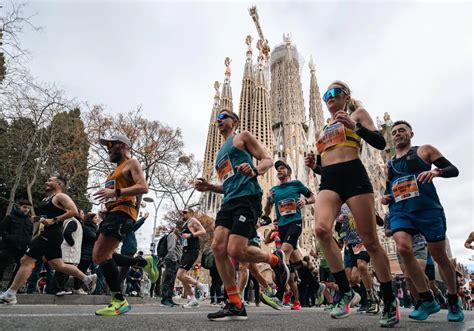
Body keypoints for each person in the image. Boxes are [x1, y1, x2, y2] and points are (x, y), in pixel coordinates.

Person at [305, 81, 397, 327]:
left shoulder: (358, 114)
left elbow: (380, 143)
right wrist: (314, 165)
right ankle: (345, 292)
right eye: (326, 94)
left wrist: (354, 126)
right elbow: (325, 165)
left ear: (346, 96)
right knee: (322, 230)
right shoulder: (323, 129)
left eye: (334, 92)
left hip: (354, 175)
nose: (329, 97)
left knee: (370, 242)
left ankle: (388, 300)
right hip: (330, 180)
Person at [195, 109, 288, 321]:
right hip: (229, 201)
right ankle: (235, 303)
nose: (219, 121)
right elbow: (228, 184)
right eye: (217, 118)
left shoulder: (242, 136)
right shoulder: (220, 154)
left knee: (235, 250)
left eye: (223, 117)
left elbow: (267, 159)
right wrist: (210, 186)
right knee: (218, 247)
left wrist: (255, 170)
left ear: (234, 121)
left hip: (248, 198)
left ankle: (274, 259)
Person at [382, 120, 463, 322]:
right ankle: (426, 298)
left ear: (411, 134)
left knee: (439, 255)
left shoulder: (425, 151)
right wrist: (386, 197)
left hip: (427, 209)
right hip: (402, 211)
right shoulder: (390, 164)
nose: (398, 134)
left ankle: (453, 299)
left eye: (402, 131)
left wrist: (436, 172)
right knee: (403, 248)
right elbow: (389, 188)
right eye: (395, 132)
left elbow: (453, 169)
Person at [0, 177, 97, 305]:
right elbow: (48, 217)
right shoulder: (47, 199)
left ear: (58, 184)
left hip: (51, 234)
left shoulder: (60, 196)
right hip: (50, 234)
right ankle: (87, 279)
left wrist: (55, 220)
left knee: (26, 260)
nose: (46, 182)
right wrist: (38, 219)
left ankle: (11, 294)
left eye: (50, 180)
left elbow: (73, 211)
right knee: (59, 265)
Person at [92, 134, 155, 316]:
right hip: (113, 212)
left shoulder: (131, 162)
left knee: (101, 255)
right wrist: (107, 208)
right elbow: (114, 194)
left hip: (124, 213)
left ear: (122, 145)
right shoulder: (114, 170)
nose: (108, 148)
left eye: (110, 144)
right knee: (101, 255)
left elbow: (143, 187)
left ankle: (119, 301)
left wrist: (116, 193)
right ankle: (142, 262)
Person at [263, 160, 317, 310]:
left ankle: (279, 296)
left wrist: (305, 200)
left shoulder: (297, 184)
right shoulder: (274, 190)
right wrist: (268, 200)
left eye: (282, 168)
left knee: (283, 254)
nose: (279, 171)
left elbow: (314, 197)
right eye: (277, 169)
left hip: (295, 222)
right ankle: (316, 285)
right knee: (296, 262)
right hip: (282, 226)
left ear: (288, 171)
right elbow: (267, 213)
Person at [176, 208, 207, 309]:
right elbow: (185, 238)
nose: (183, 214)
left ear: (191, 213)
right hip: (185, 251)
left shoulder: (193, 221)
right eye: (182, 212)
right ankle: (193, 300)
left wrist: (191, 235)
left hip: (192, 250)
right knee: (182, 277)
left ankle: (201, 286)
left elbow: (203, 231)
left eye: (185, 212)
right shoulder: (185, 224)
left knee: (180, 275)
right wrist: (179, 234)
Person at [0, 200, 33, 288]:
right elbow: (2, 230)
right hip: (8, 247)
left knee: (21, 268)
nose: (26, 210)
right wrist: (9, 238)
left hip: (22, 248)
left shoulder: (29, 221)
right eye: (24, 207)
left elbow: (30, 234)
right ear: (19, 206)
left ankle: (11, 288)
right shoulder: (10, 217)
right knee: (1, 266)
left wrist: (28, 244)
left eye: (28, 208)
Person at [52, 214, 83, 296]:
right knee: (63, 270)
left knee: (66, 271)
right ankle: (56, 288)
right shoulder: (73, 222)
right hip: (69, 250)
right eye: (82, 213)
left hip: (70, 250)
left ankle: (61, 287)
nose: (83, 215)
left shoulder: (74, 222)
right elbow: (67, 233)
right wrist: (72, 243)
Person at [119, 212, 149, 292]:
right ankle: (117, 289)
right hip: (127, 252)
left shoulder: (129, 230)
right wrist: (143, 218)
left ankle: (119, 288)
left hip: (129, 251)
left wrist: (143, 218)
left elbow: (136, 225)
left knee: (124, 271)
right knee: (123, 271)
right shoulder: (127, 229)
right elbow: (135, 224)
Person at [74, 213, 99, 294]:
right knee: (81, 270)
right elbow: (95, 238)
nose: (97, 219)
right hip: (85, 253)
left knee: (83, 271)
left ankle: (79, 287)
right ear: (90, 219)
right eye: (95, 217)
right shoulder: (87, 228)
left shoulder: (94, 228)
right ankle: (77, 288)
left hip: (89, 253)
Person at [160, 221, 183, 307]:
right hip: (171, 260)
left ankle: (169, 299)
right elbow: (171, 249)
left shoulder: (179, 237)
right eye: (182, 228)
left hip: (176, 261)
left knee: (172, 281)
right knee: (167, 280)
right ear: (178, 227)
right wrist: (174, 259)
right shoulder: (172, 235)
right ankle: (164, 300)